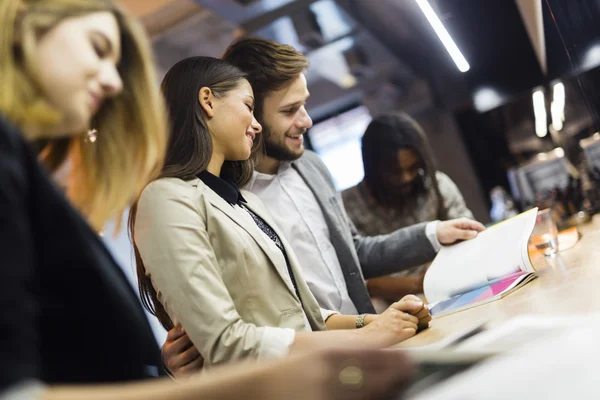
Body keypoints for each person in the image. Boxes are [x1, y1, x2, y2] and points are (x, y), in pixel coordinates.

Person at [0, 1, 417, 399]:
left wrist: (374, 322)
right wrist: (351, 346)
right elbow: (224, 341)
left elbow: (305, 314)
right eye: (98, 47)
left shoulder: (244, 201)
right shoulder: (164, 198)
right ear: (207, 102)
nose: (112, 81)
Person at [161, 37, 485, 375]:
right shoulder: (221, 200)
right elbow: (224, 327)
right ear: (248, 108)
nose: (306, 121)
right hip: (301, 371)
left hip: (366, 341)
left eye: (304, 105)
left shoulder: (311, 167)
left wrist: (433, 234)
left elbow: (354, 252)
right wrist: (181, 360)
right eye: (289, 110)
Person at [342, 112, 474, 306]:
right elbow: (353, 279)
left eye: (413, 168)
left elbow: (470, 238)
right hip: (389, 307)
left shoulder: (437, 186)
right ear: (374, 168)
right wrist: (417, 284)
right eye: (394, 172)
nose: (405, 178)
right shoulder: (347, 206)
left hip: (450, 289)